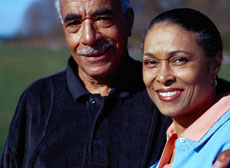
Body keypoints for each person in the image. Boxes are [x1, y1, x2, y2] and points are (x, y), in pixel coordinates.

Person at [0, 1, 229, 167]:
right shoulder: (37, 100)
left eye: (103, 19)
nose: (89, 37)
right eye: (74, 23)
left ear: (128, 22)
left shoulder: (166, 95)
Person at [142, 8, 230, 168]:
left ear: (214, 65)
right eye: (151, 62)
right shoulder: (170, 139)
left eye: (179, 60)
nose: (162, 77)